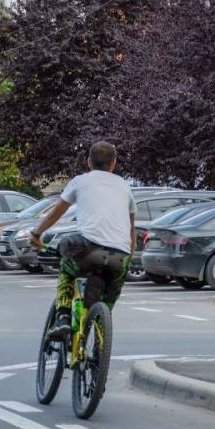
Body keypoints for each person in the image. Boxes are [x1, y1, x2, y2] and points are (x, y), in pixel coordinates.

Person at [29, 141, 136, 339]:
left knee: (67, 267)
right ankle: (101, 329)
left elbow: (56, 213)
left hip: (87, 249)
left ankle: (62, 316)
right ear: (114, 163)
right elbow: (131, 229)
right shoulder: (125, 186)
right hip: (119, 257)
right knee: (112, 289)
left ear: (88, 161)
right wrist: (128, 256)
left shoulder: (80, 181)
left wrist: (36, 234)